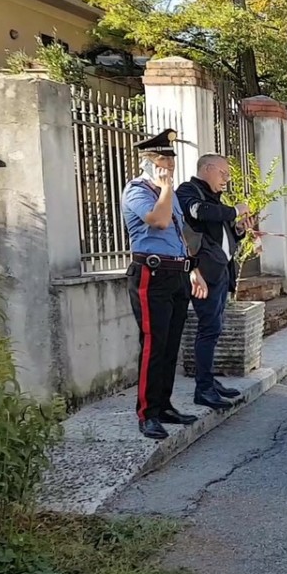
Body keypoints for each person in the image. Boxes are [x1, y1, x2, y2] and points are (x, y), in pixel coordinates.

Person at [123, 129, 208, 440]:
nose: (169, 166)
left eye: (171, 161)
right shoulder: (137, 191)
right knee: (154, 344)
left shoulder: (165, 194)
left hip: (176, 273)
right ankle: (147, 413)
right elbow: (158, 221)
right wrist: (166, 187)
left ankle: (164, 406)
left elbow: (177, 233)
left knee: (171, 344)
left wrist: (192, 268)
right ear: (148, 162)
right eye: (162, 161)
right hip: (151, 274)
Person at [176, 154, 251, 410]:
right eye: (223, 173)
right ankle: (203, 388)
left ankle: (209, 380)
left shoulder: (214, 197)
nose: (226, 179)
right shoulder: (188, 191)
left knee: (215, 328)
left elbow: (222, 234)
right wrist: (235, 210)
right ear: (207, 169)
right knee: (208, 328)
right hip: (203, 274)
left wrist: (239, 229)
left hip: (219, 272)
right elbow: (199, 213)